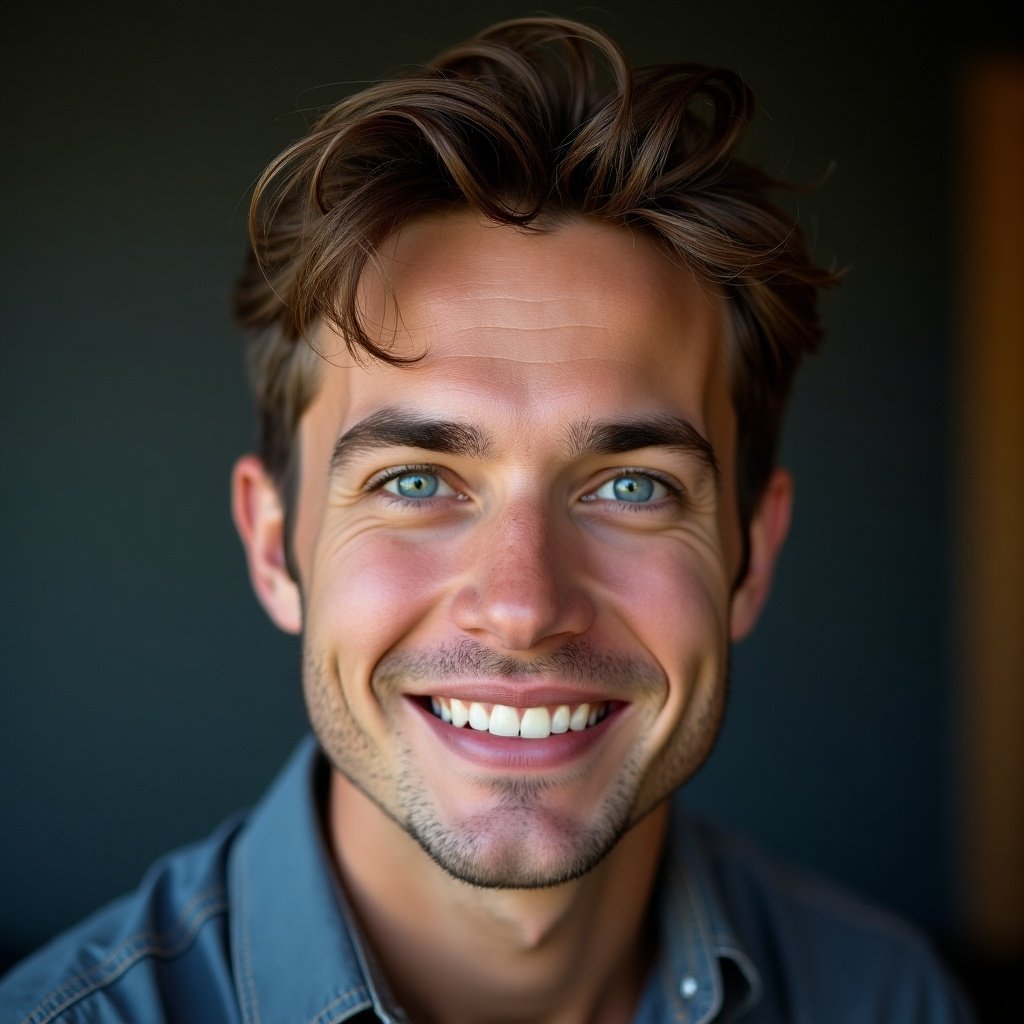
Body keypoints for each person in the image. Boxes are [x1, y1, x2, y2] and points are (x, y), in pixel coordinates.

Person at [0, 17, 972, 1024]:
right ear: (271, 542)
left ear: (751, 556)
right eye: (417, 481)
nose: (521, 605)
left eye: (632, 486)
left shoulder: (889, 999)